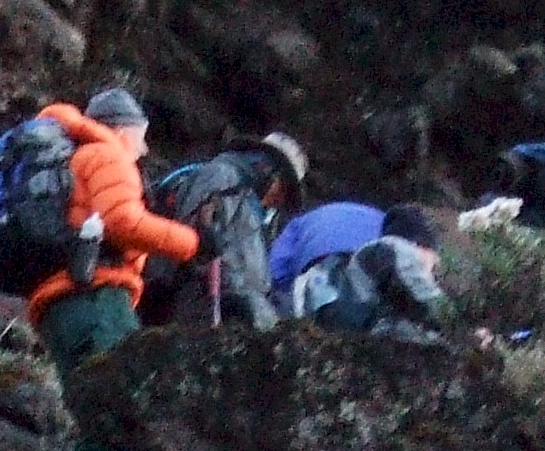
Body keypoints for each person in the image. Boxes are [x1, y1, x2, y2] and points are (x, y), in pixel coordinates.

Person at [26, 89, 197, 370]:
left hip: (54, 307)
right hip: (97, 299)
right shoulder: (107, 155)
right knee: (124, 394)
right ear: (121, 131)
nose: (145, 149)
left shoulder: (71, 158)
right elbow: (121, 223)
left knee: (84, 403)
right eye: (142, 137)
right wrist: (193, 243)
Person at [140, 132, 310, 327]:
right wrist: (252, 306)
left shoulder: (258, 212)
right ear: (266, 168)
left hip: (232, 318)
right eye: (284, 187)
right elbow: (199, 244)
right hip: (188, 306)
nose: (281, 199)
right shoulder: (222, 178)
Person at [285, 205, 453, 334]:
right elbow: (426, 297)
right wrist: (459, 327)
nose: (433, 269)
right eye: (433, 258)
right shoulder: (394, 248)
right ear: (417, 244)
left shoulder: (375, 268)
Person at [267, 193, 387, 303]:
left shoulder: (300, 222)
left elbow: (277, 266)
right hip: (369, 259)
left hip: (317, 256)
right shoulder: (383, 219)